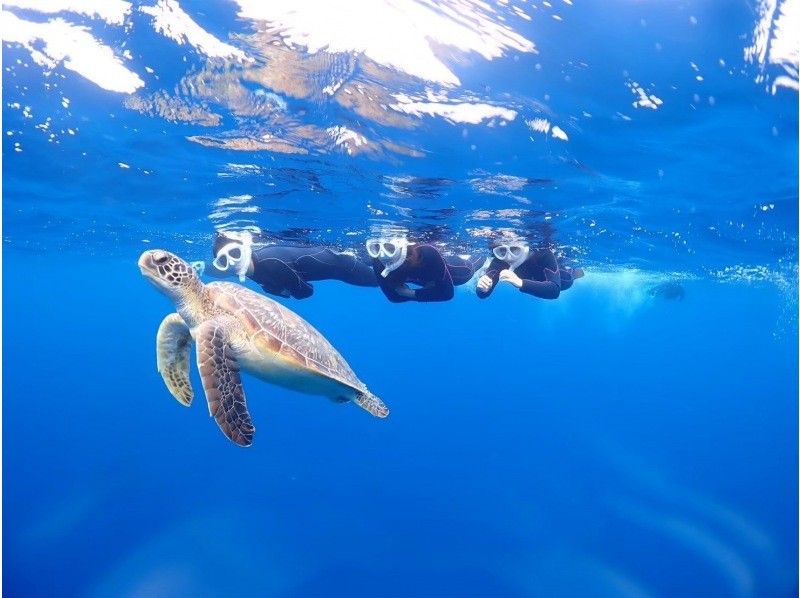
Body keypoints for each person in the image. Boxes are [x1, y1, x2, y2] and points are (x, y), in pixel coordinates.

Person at [193, 230, 377, 299]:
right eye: (224, 261)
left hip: (344, 262)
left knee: (383, 280)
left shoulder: (271, 261)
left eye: (235, 253)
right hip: (339, 269)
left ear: (246, 248)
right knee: (389, 274)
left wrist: (281, 290)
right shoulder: (252, 271)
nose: (232, 262)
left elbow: (306, 292)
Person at [366, 236, 484, 303]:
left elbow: (447, 293)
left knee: (469, 269)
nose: (383, 255)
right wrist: (428, 292)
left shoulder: (426, 253)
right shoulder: (378, 260)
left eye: (390, 248)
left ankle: (487, 260)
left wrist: (408, 293)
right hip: (424, 279)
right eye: (376, 248)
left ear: (401, 247)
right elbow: (393, 298)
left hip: (456, 272)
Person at [476, 241, 583, 299]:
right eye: (502, 251)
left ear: (525, 247)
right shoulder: (500, 261)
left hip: (553, 277)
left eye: (515, 249)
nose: (509, 257)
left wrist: (520, 283)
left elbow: (554, 291)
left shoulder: (543, 254)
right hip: (532, 279)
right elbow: (483, 294)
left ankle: (575, 272)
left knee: (566, 279)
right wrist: (482, 288)